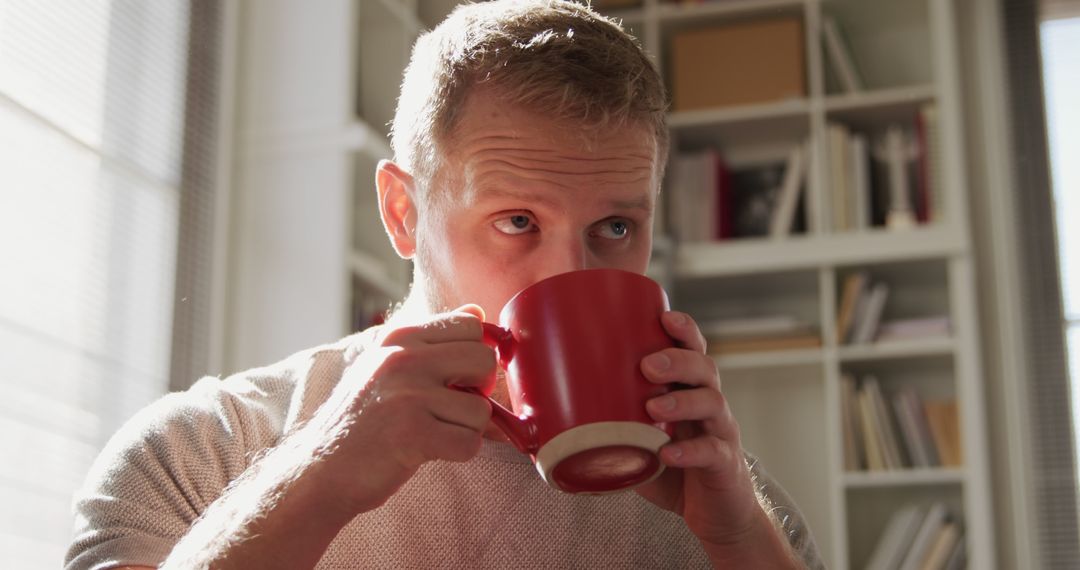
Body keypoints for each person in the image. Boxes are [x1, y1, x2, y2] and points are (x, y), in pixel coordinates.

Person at [66, 1, 823, 568]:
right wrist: (321, 473)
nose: (570, 274)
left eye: (615, 229)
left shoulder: (720, 502)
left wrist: (736, 538)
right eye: (518, 221)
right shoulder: (198, 453)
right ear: (402, 212)